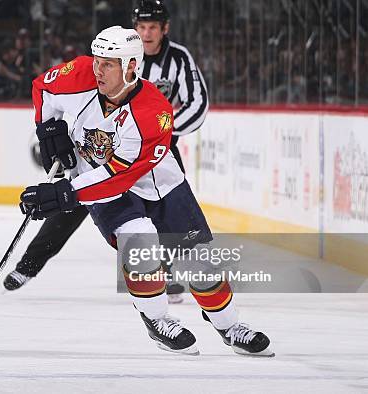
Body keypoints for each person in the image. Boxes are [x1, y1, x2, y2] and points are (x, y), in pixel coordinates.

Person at [18, 25, 273, 356]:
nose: (98, 69)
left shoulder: (154, 112)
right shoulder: (80, 73)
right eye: (97, 60)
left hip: (158, 183)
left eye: (108, 63)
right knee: (141, 244)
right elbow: (43, 89)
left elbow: (119, 173)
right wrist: (48, 128)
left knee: (200, 263)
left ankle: (228, 326)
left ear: (131, 66)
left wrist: (64, 193)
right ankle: (157, 320)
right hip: (104, 189)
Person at [4, 0, 208, 305]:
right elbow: (52, 89)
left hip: (152, 149)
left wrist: (161, 132)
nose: (147, 33)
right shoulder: (111, 58)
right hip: (103, 144)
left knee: (166, 213)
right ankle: (29, 264)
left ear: (164, 29)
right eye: (142, 27)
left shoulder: (178, 58)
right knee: (71, 203)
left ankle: (173, 277)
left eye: (153, 27)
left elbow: (198, 102)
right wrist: (50, 129)